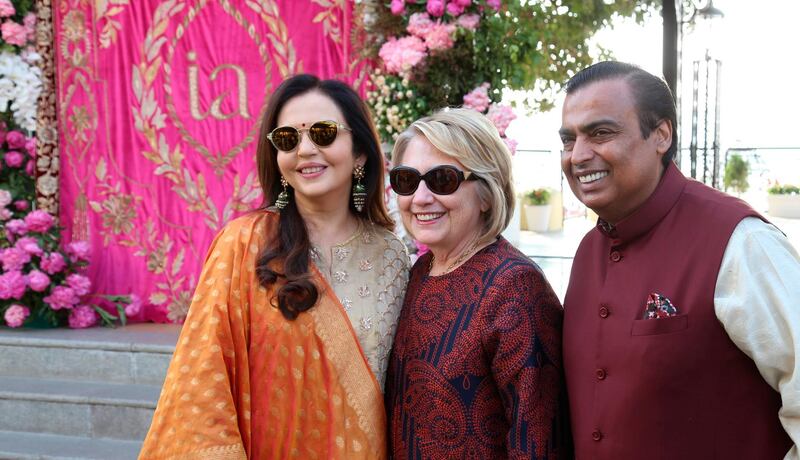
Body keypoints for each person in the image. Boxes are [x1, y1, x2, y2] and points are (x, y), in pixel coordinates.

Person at [139, 74, 410, 459]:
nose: (305, 149)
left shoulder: (391, 256)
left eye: (323, 133)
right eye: (288, 138)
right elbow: (201, 379)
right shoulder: (245, 244)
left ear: (361, 153)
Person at [558, 60, 800, 459]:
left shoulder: (740, 241)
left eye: (601, 133)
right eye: (569, 140)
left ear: (661, 135)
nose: (579, 155)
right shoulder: (587, 252)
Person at [384, 108, 568, 459]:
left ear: (486, 193)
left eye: (442, 180)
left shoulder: (515, 286)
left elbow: (538, 441)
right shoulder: (420, 272)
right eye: (407, 180)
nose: (420, 198)